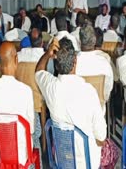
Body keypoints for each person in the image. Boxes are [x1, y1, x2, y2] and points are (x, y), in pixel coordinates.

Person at [35, 38, 107, 168]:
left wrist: (47, 53)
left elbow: (38, 71)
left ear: (56, 65)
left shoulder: (51, 87)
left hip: (61, 161)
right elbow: (101, 138)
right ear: (75, 61)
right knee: (111, 151)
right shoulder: (89, 92)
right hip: (87, 163)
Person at [0, 41, 38, 166]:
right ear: (16, 59)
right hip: (21, 156)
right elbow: (30, 128)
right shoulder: (25, 91)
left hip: (1, 153)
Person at [76, 25, 114, 105]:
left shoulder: (72, 63)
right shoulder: (104, 63)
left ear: (79, 41)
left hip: (77, 110)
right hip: (99, 111)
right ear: (94, 41)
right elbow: (107, 92)